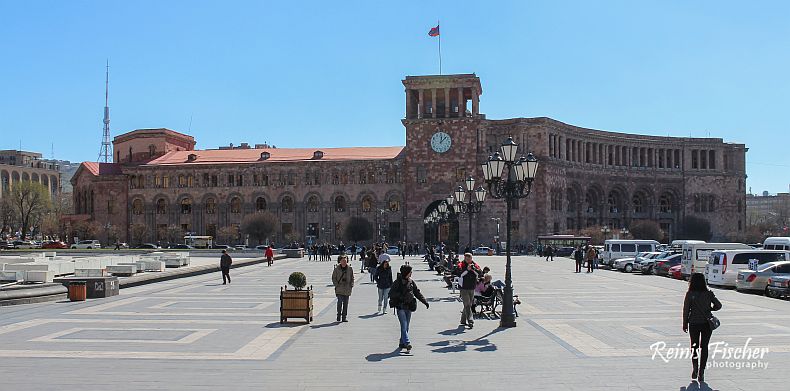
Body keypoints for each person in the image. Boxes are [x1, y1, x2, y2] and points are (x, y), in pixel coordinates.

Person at [683, 273, 722, 383]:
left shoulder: (689, 294)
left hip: (694, 323)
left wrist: (684, 323)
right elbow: (719, 305)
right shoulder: (709, 294)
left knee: (694, 346)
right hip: (706, 323)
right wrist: (710, 309)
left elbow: (686, 310)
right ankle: (702, 371)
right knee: (704, 346)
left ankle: (695, 367)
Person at [388, 264, 429, 353]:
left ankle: (402, 342)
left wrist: (424, 301)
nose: (411, 273)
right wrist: (400, 296)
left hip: (409, 307)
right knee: (404, 324)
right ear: (406, 272)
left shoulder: (411, 282)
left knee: (406, 326)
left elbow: (417, 293)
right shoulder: (397, 282)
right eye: (410, 272)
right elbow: (391, 293)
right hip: (400, 306)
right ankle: (407, 343)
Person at [457, 253, 481, 329]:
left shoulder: (475, 265)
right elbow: (459, 273)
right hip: (464, 288)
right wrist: (467, 270)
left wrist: (473, 269)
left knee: (469, 304)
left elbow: (480, 273)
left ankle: (463, 320)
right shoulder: (461, 264)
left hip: (472, 287)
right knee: (467, 304)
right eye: (466, 259)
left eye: (469, 259)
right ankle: (470, 321)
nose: (468, 261)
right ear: (464, 258)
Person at [331, 254, 355, 322]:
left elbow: (352, 277)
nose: (344, 262)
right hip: (339, 288)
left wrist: (351, 284)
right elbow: (333, 278)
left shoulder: (350, 268)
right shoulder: (336, 269)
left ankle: (344, 317)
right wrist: (336, 285)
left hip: (347, 288)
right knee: (339, 302)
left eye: (345, 260)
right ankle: (338, 315)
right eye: (343, 260)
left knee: (346, 303)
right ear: (340, 261)